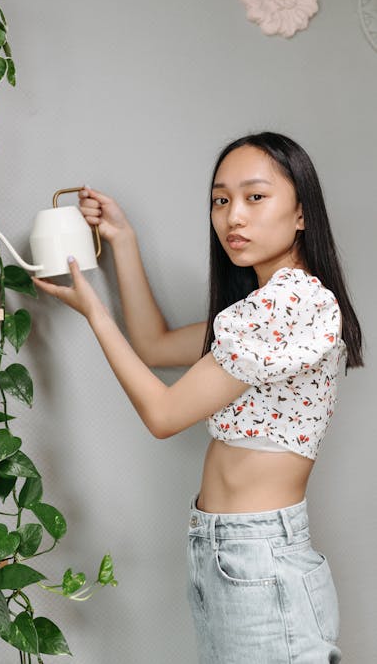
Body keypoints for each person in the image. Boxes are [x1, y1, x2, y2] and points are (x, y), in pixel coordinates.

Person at [32, 132, 363, 663]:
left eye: (256, 197)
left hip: (256, 556)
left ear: (302, 213)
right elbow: (154, 344)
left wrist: (96, 313)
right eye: (221, 199)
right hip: (230, 550)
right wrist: (123, 239)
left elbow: (164, 415)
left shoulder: (289, 303)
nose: (234, 216)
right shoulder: (265, 307)